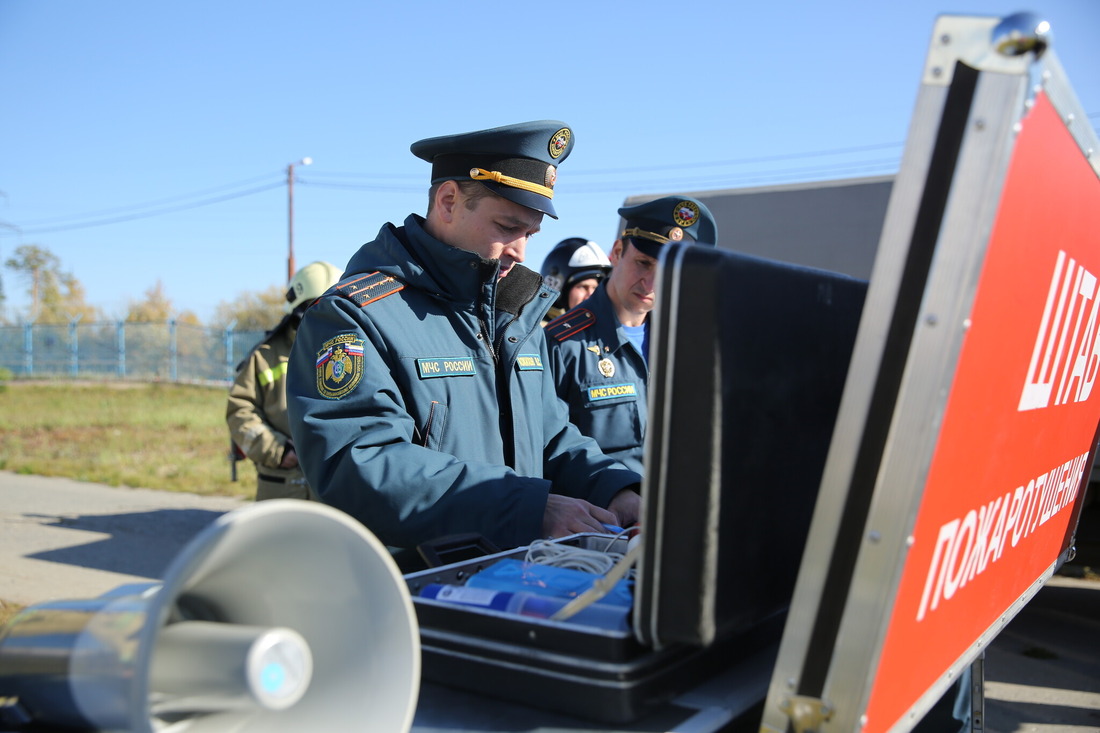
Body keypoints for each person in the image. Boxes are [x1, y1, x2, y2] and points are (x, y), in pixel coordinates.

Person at [285, 121, 642, 563]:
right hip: (412, 597)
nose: (520, 252)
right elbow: (358, 463)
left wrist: (616, 489)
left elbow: (551, 437)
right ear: (449, 201)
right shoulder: (354, 316)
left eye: (529, 234)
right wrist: (527, 509)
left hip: (516, 586)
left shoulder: (516, 315)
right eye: (507, 226)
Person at [546, 196, 717, 475]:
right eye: (644, 263)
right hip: (603, 513)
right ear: (617, 252)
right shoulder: (561, 344)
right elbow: (549, 447)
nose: (650, 285)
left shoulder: (686, 344)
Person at [226, 260, 341, 501]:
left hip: (337, 490)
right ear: (299, 311)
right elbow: (240, 411)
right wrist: (278, 449)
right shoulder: (264, 357)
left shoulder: (355, 352)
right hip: (283, 488)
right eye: (316, 309)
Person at [539, 237, 612, 322]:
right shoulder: (533, 331)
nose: (591, 295)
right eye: (583, 287)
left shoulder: (600, 329)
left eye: (595, 288)